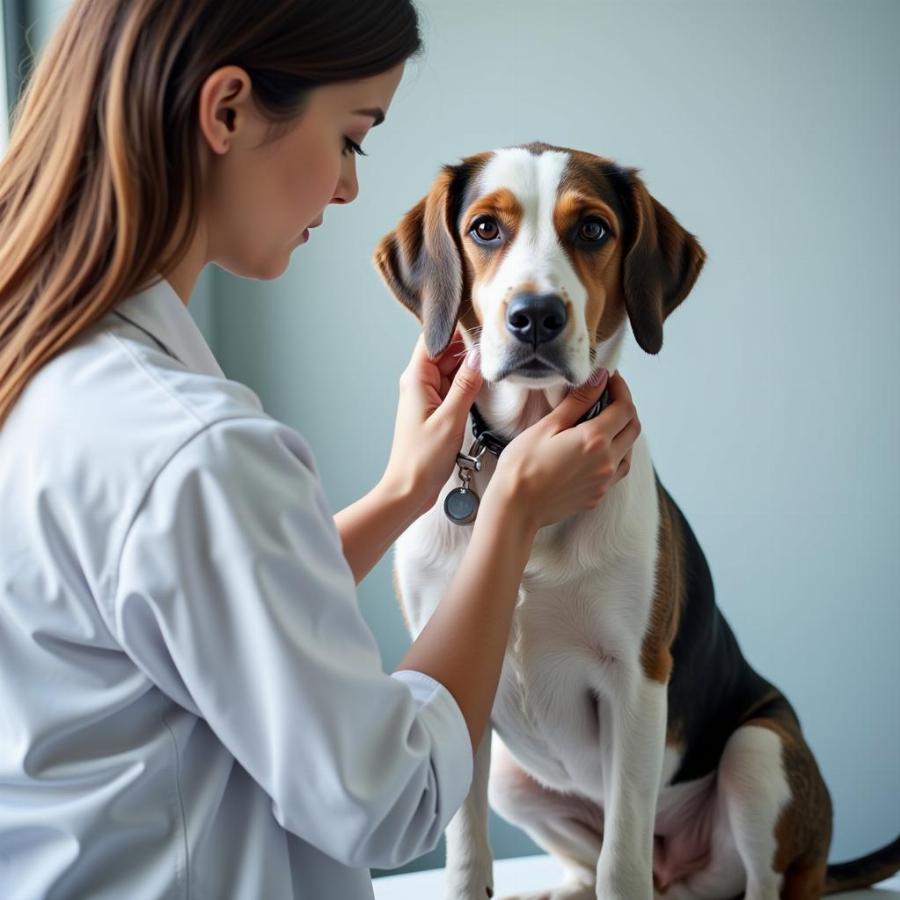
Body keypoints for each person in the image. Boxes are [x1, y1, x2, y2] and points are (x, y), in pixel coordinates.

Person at [0, 1, 641, 897]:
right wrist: (510, 514)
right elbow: (393, 798)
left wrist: (401, 493)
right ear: (226, 112)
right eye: (352, 138)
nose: (347, 187)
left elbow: (211, 618)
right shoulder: (195, 451)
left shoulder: (50, 376)